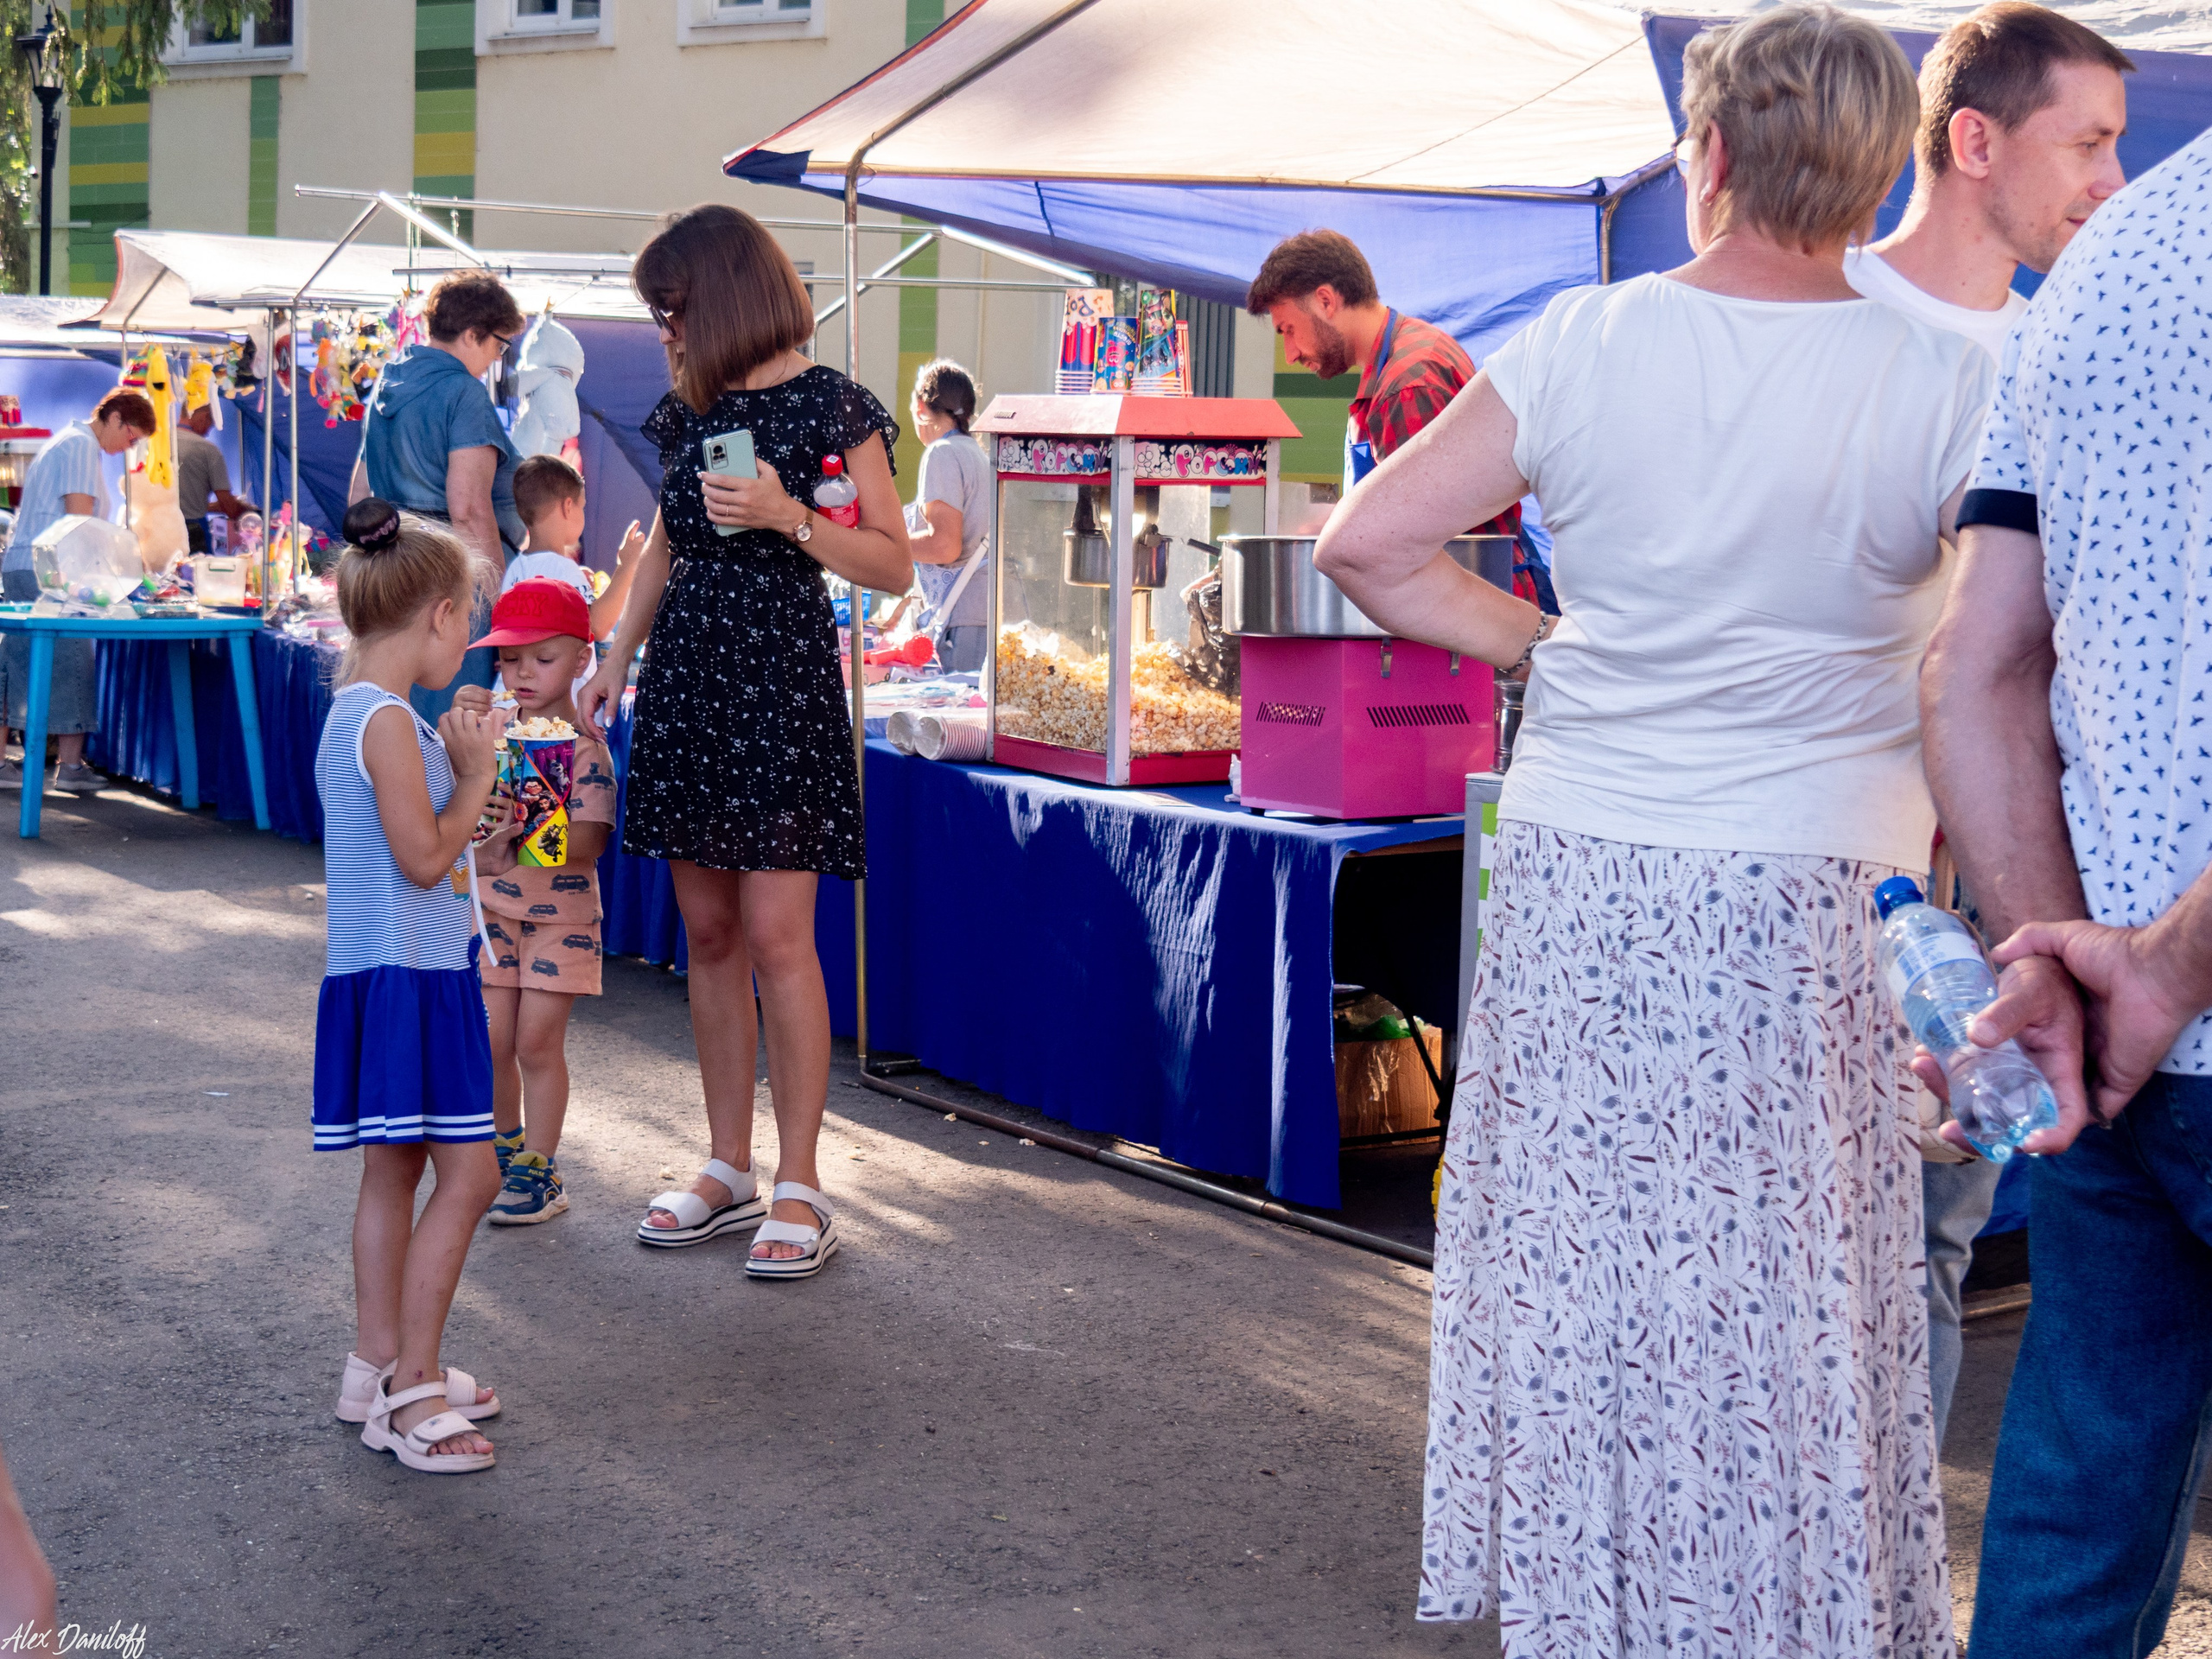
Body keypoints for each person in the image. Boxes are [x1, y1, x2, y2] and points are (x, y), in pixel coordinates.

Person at [1315, 7, 1980, 1649]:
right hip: (1826, 884)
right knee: (1799, 1287)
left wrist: (1545, 646)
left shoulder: (1584, 342)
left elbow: (1369, 544)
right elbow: (1985, 669)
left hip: (1592, 866)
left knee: (1598, 1273)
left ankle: (1606, 1609)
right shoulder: (1946, 378)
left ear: (1717, 156)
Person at [1919, 122, 2212, 1659]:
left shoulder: (2105, 265)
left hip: (2114, 1045)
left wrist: (2048, 965)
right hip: (2138, 1004)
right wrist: (2149, 965)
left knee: (2075, 1533)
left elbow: (1976, 662)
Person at [1841, 0, 2130, 1449]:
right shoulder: (1821, 314)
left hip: (1970, 894)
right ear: (1973, 140)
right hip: (1821, 864)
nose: (2113, 184)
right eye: (2087, 143)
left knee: (1927, 1254)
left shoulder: (2059, 353)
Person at [576, 204, 911, 1280]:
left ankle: (800, 1181)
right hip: (687, 681)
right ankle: (725, 1164)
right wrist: (617, 651)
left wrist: (784, 515)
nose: (665, 329)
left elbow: (893, 564)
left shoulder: (833, 405)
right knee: (708, 938)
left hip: (779, 680)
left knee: (778, 937)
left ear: (718, 295)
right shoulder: (691, 412)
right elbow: (671, 536)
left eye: (670, 308)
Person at [315, 496, 507, 1475]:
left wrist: (483, 803)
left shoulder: (370, 714)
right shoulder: (389, 723)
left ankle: (374, 1364)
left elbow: (437, 853)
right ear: (436, 613)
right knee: (471, 1174)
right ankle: (413, 1387)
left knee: (393, 1171)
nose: (469, 638)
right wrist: (472, 781)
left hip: (384, 977)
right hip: (414, 982)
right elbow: (426, 861)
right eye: (467, 615)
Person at [454, 578, 620, 1226]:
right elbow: (448, 805)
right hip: (491, 911)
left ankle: (539, 1170)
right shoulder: (487, 732)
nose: (521, 673)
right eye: (507, 658)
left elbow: (589, 843)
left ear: (582, 659)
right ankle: (505, 1151)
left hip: (562, 919)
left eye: (542, 658)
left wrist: (523, 823)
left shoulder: (584, 747)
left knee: (537, 1043)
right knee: (494, 1040)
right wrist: (460, 733)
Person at [1246, 229, 1518, 543]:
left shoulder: (1408, 386)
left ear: (1325, 301)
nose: (1290, 355)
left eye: (1289, 330)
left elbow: (1421, 544)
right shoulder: (1409, 348)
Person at [351, 270, 528, 722]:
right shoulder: (462, 392)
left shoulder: (388, 384)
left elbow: (359, 495)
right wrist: (498, 600)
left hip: (393, 573)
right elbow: (468, 510)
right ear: (472, 334)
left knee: (391, 716)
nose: (497, 359)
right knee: (448, 733)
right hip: (450, 584)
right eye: (500, 345)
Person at [0, 387, 156, 795]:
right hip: (49, 573)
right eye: (132, 436)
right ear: (117, 418)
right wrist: (119, 574)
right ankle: (69, 765)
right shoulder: (81, 446)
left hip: (23, 565)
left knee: (13, 663)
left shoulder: (65, 441)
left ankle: (4, 762)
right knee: (72, 662)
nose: (129, 446)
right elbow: (80, 522)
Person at [902, 359, 991, 674]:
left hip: (965, 623)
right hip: (988, 611)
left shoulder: (941, 453)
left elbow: (944, 546)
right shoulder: (976, 454)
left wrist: (888, 545)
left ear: (922, 407)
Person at [504, 453, 645, 641]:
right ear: (567, 507)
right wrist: (626, 566)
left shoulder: (514, 570)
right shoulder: (563, 570)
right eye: (582, 506)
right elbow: (597, 626)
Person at [175, 402, 256, 553]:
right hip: (192, 532)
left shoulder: (155, 443)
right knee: (196, 574)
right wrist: (249, 513)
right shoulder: (207, 450)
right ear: (204, 417)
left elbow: (177, 502)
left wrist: (212, 507)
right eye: (210, 425)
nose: (207, 433)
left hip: (156, 529)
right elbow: (228, 505)